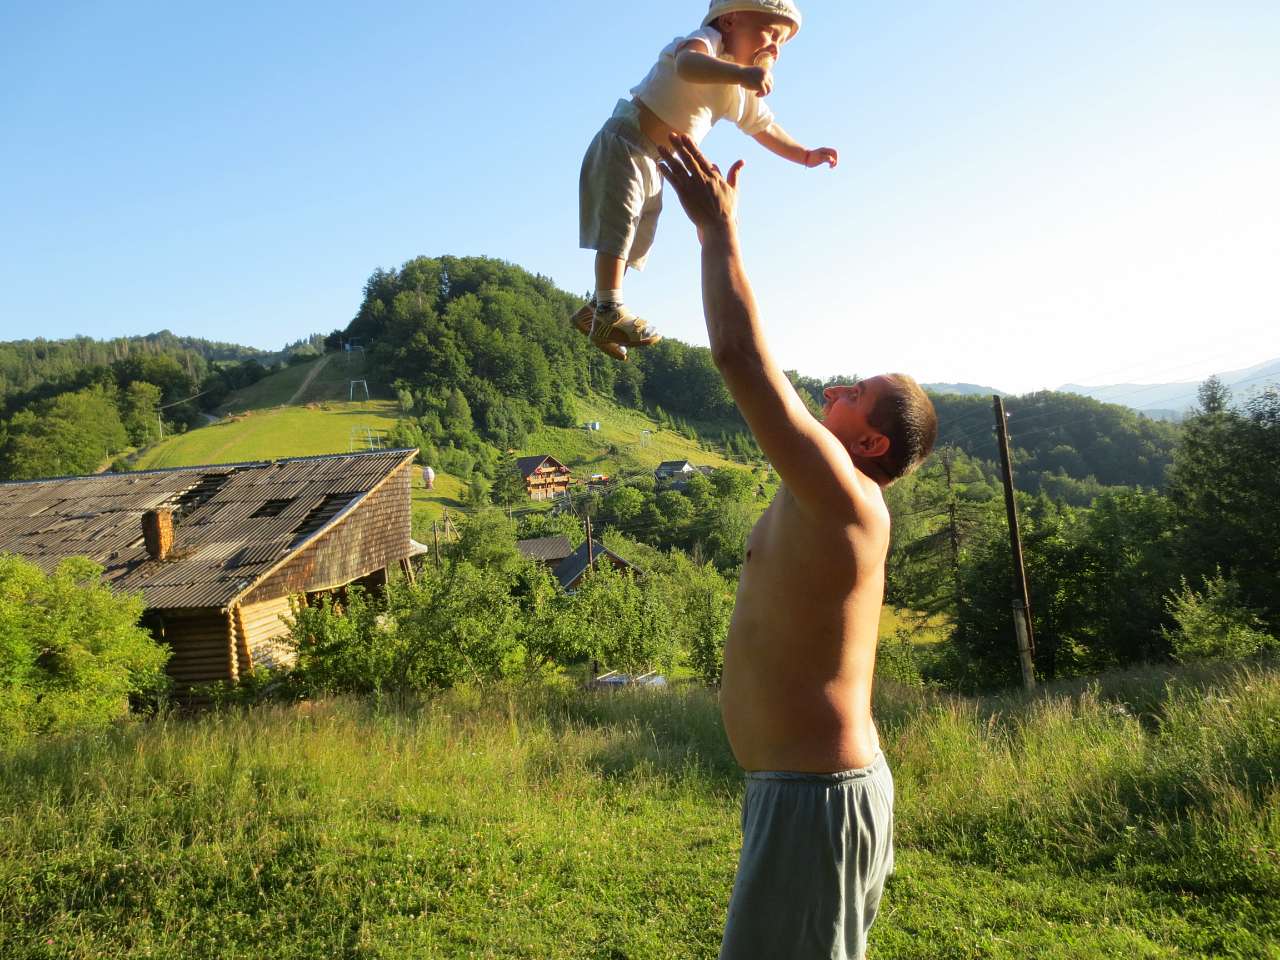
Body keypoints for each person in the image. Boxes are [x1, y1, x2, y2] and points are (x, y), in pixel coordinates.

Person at [656, 133, 938, 960]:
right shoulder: (825, 493)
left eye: (860, 395)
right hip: (802, 793)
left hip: (816, 797)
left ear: (875, 445)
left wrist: (717, 234)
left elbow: (742, 358)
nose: (840, 389)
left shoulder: (846, 495)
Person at [572, 0, 838, 362]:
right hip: (626, 141)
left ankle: (594, 312)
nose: (774, 47)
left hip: (655, 161)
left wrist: (804, 155)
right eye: (770, 32)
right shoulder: (707, 41)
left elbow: (765, 128)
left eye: (782, 43)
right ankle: (609, 309)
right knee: (619, 226)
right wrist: (742, 75)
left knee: (637, 234)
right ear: (730, 20)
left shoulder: (738, 88)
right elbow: (688, 66)